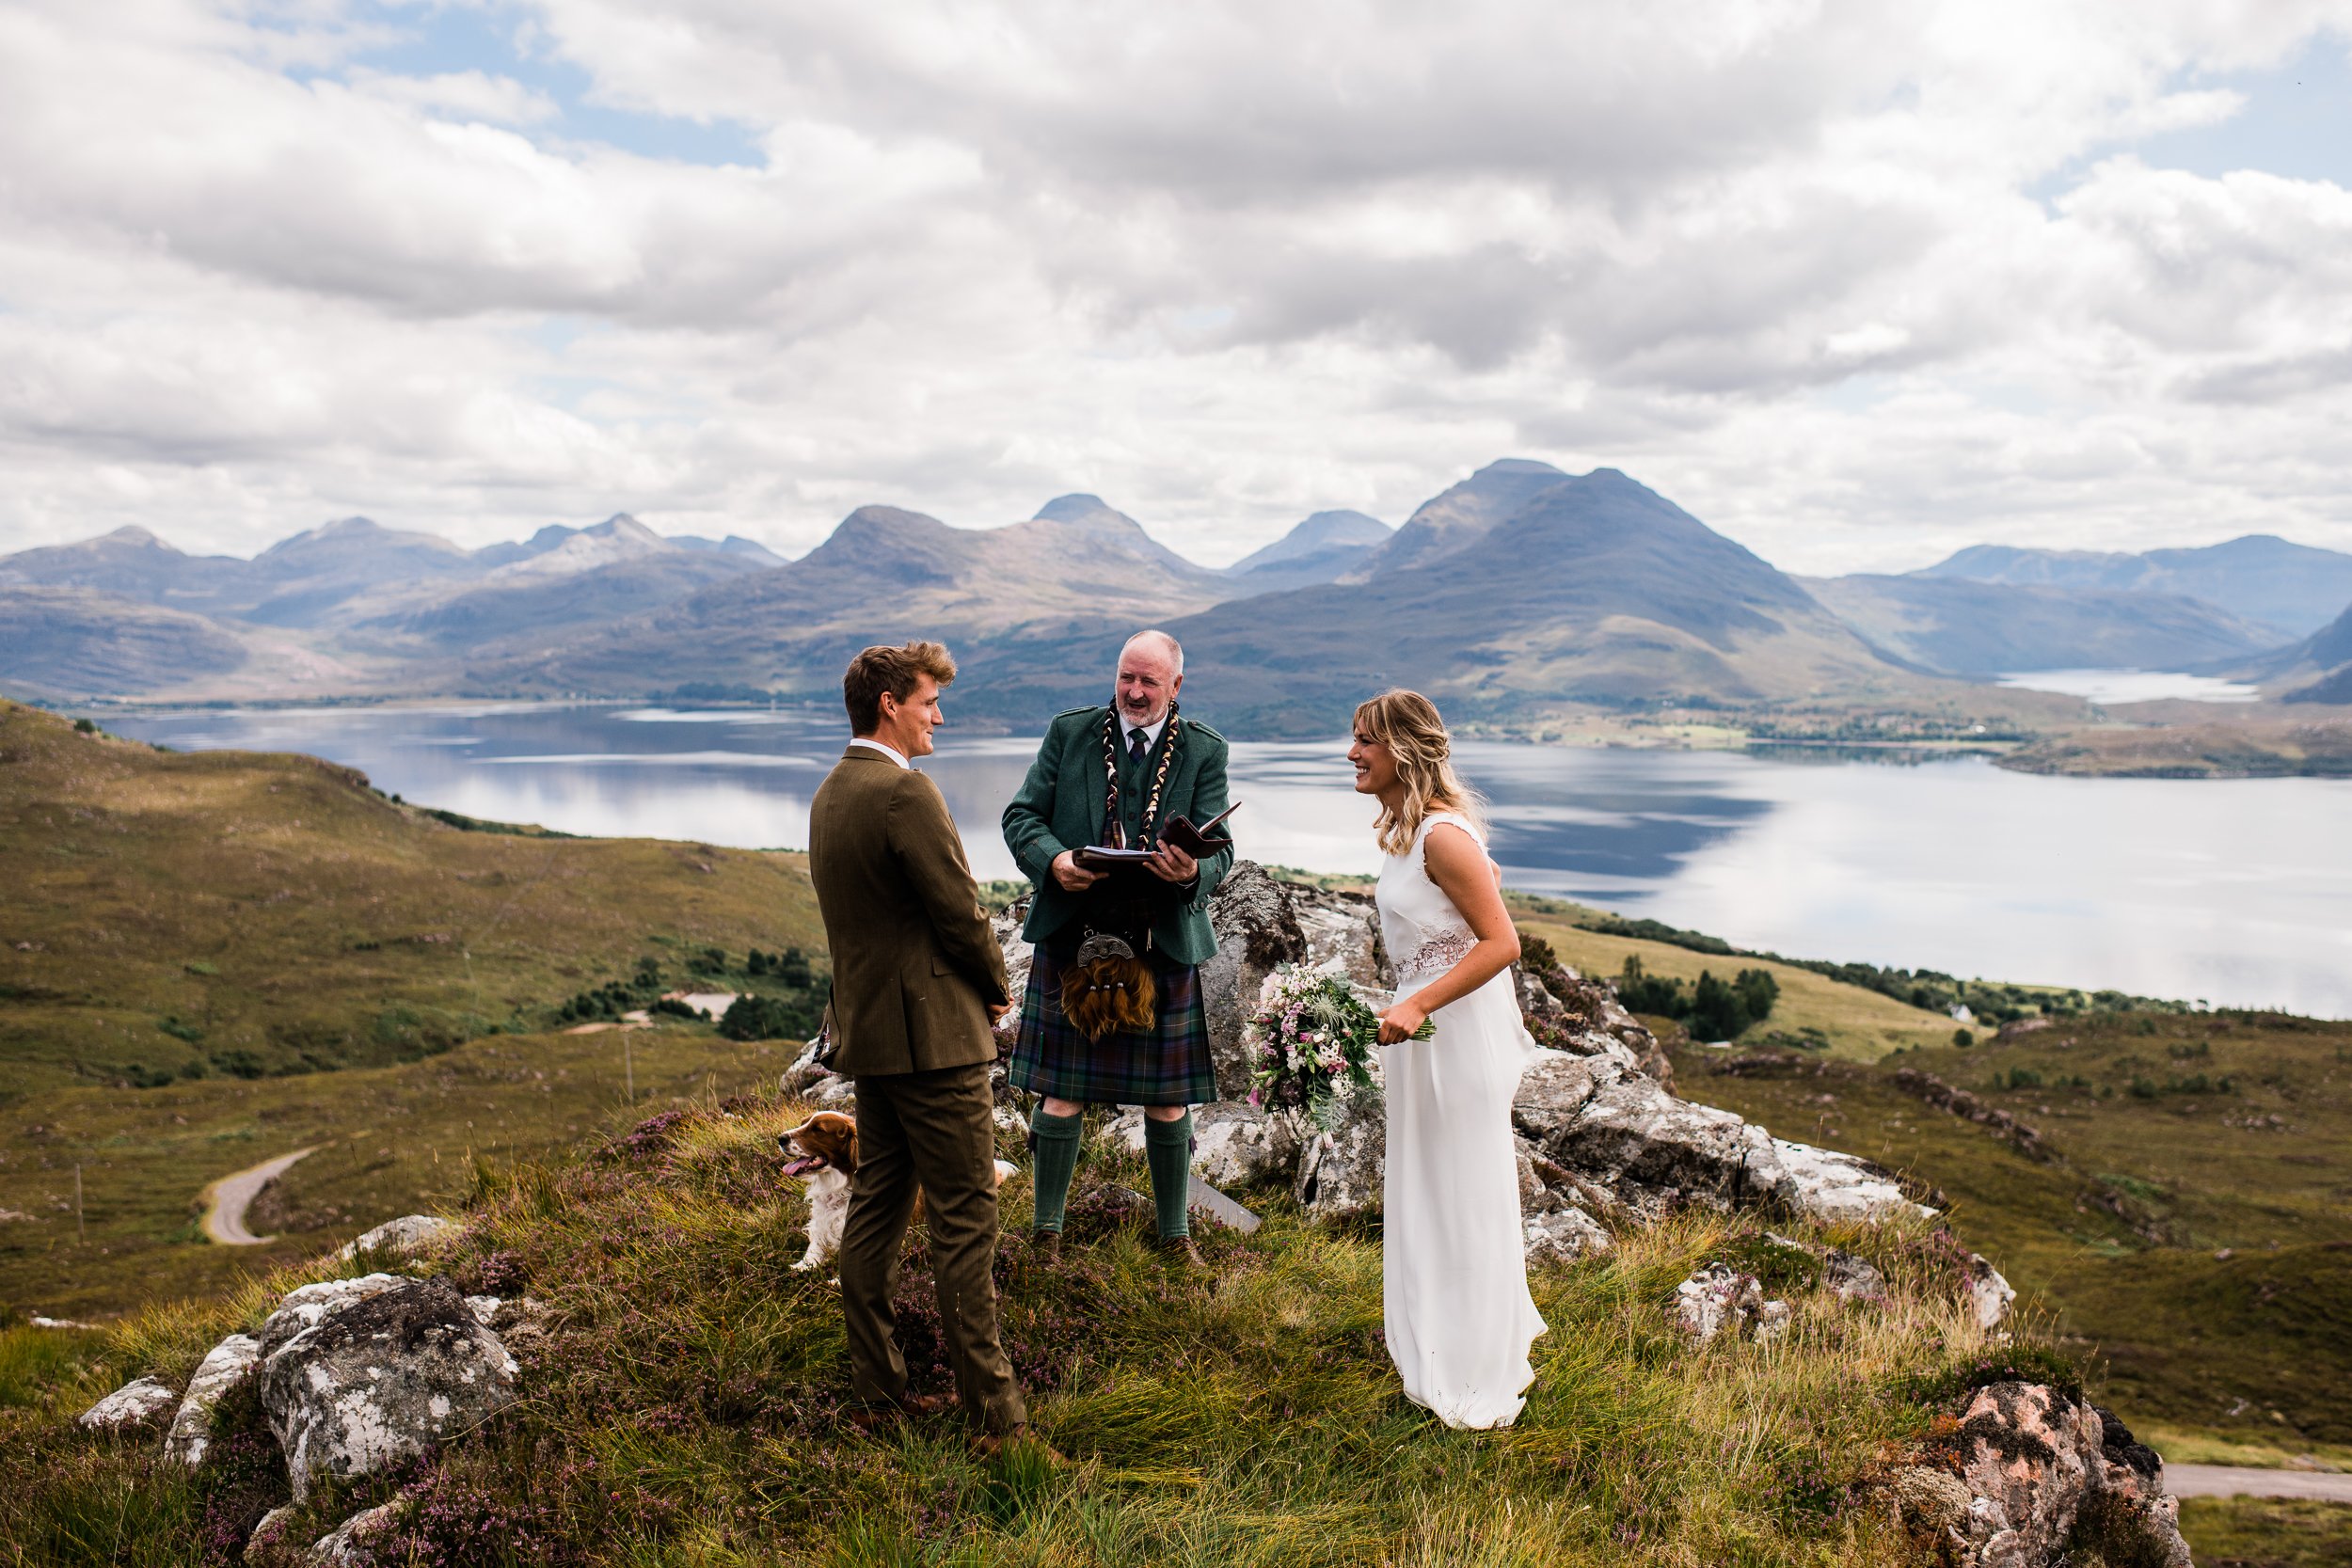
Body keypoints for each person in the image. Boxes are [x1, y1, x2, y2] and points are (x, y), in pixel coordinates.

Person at [806, 640, 1035, 1453]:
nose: (940, 714)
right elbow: (962, 911)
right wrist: (998, 982)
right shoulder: (906, 793)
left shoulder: (831, 792)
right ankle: (998, 1425)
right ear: (888, 705)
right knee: (966, 1218)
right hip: (936, 1042)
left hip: (872, 1039)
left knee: (874, 1211)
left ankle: (877, 1390)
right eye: (930, 700)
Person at [1001, 630, 1234, 1266]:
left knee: (1167, 1095)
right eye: (1126, 677)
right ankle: (1046, 1232)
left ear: (1175, 687)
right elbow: (1021, 816)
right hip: (1076, 937)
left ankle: (1175, 1236)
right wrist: (1054, 862)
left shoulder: (1204, 750)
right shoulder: (1070, 734)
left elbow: (1223, 848)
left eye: (1149, 682)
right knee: (1061, 1089)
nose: (1133, 691)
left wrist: (1190, 873)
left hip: (1159, 943)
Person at [1350, 688, 1546, 1428]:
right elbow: (1466, 906)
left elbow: (1504, 942)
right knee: (1429, 1185)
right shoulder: (1412, 832)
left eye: (1365, 739)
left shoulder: (1440, 835)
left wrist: (1420, 1002)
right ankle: (1436, 1344)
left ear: (1402, 748)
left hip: (1452, 1035)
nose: (1352, 753)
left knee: (1460, 1188)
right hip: (1423, 1030)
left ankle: (1470, 1360)